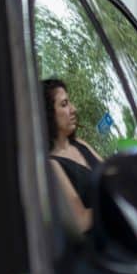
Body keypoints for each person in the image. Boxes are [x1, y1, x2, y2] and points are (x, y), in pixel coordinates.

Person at [42, 78, 102, 234]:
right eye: (64, 104)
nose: (73, 109)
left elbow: (112, 176)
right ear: (48, 114)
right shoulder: (53, 165)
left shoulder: (81, 144)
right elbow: (80, 221)